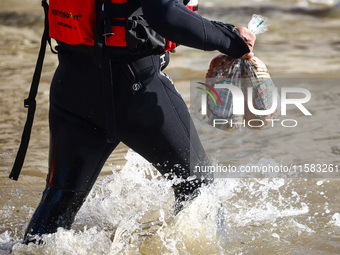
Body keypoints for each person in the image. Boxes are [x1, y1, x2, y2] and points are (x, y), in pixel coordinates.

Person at [23, 0, 255, 244]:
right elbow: (165, 15)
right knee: (198, 185)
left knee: (61, 198)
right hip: (133, 87)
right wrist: (231, 39)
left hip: (70, 86)